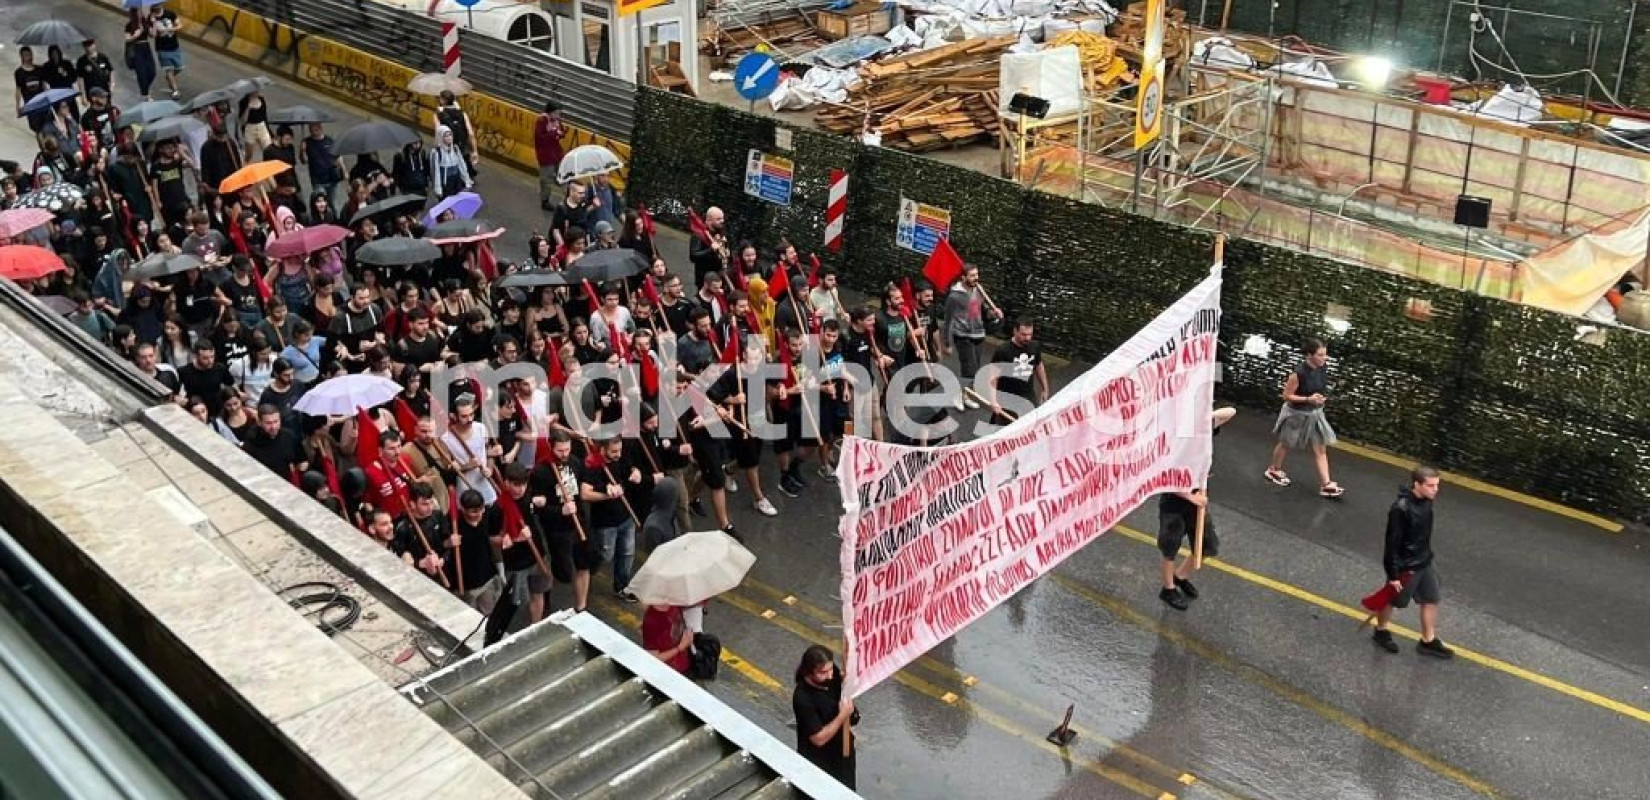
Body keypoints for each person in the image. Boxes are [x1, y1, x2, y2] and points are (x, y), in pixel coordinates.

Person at [1157, 407, 1235, 610]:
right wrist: (1190, 497)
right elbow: (1163, 480)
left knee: (1207, 546)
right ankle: (1168, 588)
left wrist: (1205, 417)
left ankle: (1180, 576)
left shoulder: (1202, 430)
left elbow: (1231, 412)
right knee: (1169, 549)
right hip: (1174, 504)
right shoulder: (1173, 443)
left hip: (1197, 499)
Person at [1374, 466, 1453, 659]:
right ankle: (1381, 630)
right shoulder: (1400, 509)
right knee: (1392, 600)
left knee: (1431, 598)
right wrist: (1393, 575)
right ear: (1417, 484)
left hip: (1424, 561)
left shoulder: (1427, 501)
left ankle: (1428, 640)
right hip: (1405, 567)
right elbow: (1391, 543)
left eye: (1437, 485)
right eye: (1431, 485)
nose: (1435, 490)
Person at [1264, 338, 1344, 498]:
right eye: (1320, 355)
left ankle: (1326, 484)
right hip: (1296, 414)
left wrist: (1320, 399)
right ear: (1309, 355)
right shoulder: (1298, 373)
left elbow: (1318, 389)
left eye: (1325, 355)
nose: (1324, 358)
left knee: (1320, 447)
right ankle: (1273, 470)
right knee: (1286, 443)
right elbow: (1286, 396)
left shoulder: (1323, 368)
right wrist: (1308, 399)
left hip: (1315, 413)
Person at [792, 645, 857, 789]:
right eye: (823, 672)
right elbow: (818, 738)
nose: (829, 675)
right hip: (820, 762)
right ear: (808, 672)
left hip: (843, 753)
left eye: (831, 670)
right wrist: (842, 715)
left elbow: (843, 688)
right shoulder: (803, 698)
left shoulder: (831, 675)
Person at [943, 264, 1000, 410]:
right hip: (963, 336)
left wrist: (993, 314)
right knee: (970, 369)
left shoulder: (978, 290)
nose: (976, 278)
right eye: (973, 275)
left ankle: (966, 395)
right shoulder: (954, 297)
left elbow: (983, 310)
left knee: (975, 369)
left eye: (977, 274)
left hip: (979, 334)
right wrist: (947, 343)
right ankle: (958, 394)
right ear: (963, 277)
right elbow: (948, 320)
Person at [984, 318, 1048, 426]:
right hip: (1007, 399)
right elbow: (993, 377)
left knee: (1028, 429)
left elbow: (1038, 365)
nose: (1027, 338)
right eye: (1023, 334)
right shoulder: (1003, 351)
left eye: (1029, 334)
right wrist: (993, 401)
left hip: (1028, 397)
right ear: (1015, 331)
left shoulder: (1035, 346)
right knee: (1002, 432)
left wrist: (1045, 389)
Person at [642, 602, 692, 675]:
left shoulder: (674, 603)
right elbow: (653, 658)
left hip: (683, 663)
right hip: (668, 672)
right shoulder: (652, 621)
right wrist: (680, 647)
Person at [148, 3, 184, 100]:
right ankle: (175, 91)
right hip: (162, 48)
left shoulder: (170, 13)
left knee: (179, 67)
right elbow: (152, 35)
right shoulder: (150, 18)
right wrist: (154, 22)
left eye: (159, 6)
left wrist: (170, 29)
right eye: (155, 7)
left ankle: (169, 77)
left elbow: (180, 25)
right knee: (168, 69)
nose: (157, 8)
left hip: (174, 46)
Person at [534, 101, 564, 209]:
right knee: (546, 179)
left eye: (559, 113)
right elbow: (541, 138)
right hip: (546, 155)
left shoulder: (557, 121)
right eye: (556, 113)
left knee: (562, 176)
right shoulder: (542, 121)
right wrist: (554, 133)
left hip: (556, 154)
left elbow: (562, 132)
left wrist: (558, 133)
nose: (557, 116)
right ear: (550, 112)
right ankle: (545, 200)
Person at [428, 125, 472, 199]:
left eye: (450, 135)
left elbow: (461, 165)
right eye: (445, 136)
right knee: (446, 206)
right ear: (440, 137)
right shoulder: (436, 152)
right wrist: (438, 189)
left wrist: (466, 179)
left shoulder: (455, 148)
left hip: (456, 182)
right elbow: (436, 171)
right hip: (445, 183)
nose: (449, 138)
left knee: (456, 203)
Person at [121, 10, 156, 101]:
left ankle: (145, 89)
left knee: (152, 71)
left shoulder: (146, 23)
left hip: (146, 48)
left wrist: (154, 23)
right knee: (141, 73)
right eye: (138, 12)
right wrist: (135, 36)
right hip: (136, 49)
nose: (141, 13)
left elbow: (153, 34)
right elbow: (127, 39)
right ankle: (146, 95)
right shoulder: (129, 25)